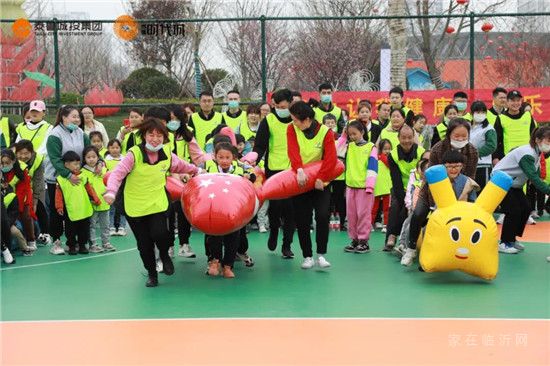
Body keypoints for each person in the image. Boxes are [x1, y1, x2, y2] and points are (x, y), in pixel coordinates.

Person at [104, 118, 200, 287]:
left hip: (157, 203)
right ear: (144, 136)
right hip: (135, 205)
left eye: (159, 135)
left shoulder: (167, 155)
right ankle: (152, 274)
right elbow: (117, 174)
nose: (155, 139)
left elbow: (182, 166)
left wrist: (198, 170)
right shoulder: (134, 154)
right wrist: (111, 192)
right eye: (151, 134)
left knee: (161, 234)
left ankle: (164, 254)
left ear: (164, 137)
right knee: (144, 244)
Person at [400, 118, 478, 263]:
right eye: (456, 136)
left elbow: (471, 177)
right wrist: (439, 201)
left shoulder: (472, 151)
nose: (460, 139)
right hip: (431, 191)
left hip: (461, 191)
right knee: (418, 214)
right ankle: (410, 249)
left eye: (464, 136)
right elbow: (431, 175)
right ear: (449, 135)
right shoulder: (438, 149)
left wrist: (463, 196)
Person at [287, 101, 337, 269]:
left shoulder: (325, 132)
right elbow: (293, 151)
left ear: (307, 119)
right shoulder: (291, 129)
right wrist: (299, 169)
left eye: (296, 119)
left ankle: (321, 254)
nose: (293, 122)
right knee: (302, 219)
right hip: (300, 180)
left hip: (320, 181)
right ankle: (307, 255)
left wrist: (321, 178)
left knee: (322, 215)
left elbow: (331, 158)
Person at [492, 126, 550, 254]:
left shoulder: (536, 153)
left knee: (526, 209)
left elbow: (538, 177)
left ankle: (511, 239)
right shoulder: (527, 154)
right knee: (513, 211)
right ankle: (504, 242)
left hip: (513, 184)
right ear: (537, 140)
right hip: (501, 182)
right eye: (548, 141)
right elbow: (534, 178)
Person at [253, 89, 296, 258]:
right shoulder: (268, 121)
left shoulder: (297, 120)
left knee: (291, 210)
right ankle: (273, 232)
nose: (279, 109)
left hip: (294, 171)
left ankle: (287, 245)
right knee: (275, 208)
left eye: (282, 106)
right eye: (276, 106)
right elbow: (260, 146)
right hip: (274, 170)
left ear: (290, 103)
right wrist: (252, 162)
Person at [45, 105, 91, 255]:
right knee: (58, 211)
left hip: (76, 179)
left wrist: (99, 161)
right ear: (64, 117)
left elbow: (89, 151)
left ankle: (77, 242)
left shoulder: (80, 132)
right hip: (57, 180)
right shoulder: (55, 135)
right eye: (73, 116)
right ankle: (57, 241)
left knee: (77, 210)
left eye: (78, 117)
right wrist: (68, 175)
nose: (77, 119)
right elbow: (55, 159)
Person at [204, 142, 252, 277]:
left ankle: (228, 266)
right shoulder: (208, 167)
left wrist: (249, 176)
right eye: (221, 157)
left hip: (234, 212)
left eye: (227, 157)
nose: (224, 161)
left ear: (233, 158)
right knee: (215, 237)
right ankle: (215, 261)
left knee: (233, 238)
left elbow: (253, 175)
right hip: (214, 211)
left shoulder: (240, 168)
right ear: (215, 157)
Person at [384, 125, 425, 251]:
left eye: (409, 137)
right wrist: (405, 198)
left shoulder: (421, 153)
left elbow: (425, 173)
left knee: (414, 209)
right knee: (397, 205)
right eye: (403, 138)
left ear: (414, 137)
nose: (406, 141)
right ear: (398, 138)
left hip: (419, 187)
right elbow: (395, 178)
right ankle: (391, 236)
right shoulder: (393, 155)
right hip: (400, 187)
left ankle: (409, 239)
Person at [339, 121, 378, 253]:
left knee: (363, 215)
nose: (352, 136)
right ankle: (354, 239)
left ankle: (363, 241)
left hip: (364, 188)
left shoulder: (371, 147)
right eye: (350, 134)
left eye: (354, 133)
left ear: (362, 132)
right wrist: (343, 136)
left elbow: (373, 167)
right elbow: (336, 150)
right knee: (351, 215)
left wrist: (370, 186)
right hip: (350, 186)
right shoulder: (349, 146)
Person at [54, 150, 102, 255]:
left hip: (84, 209)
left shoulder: (83, 176)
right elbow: (58, 195)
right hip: (70, 210)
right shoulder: (61, 179)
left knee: (84, 229)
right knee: (70, 230)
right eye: (75, 164)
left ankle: (82, 246)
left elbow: (90, 189)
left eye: (79, 163)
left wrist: (96, 199)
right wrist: (59, 207)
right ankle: (71, 246)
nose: (77, 166)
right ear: (66, 164)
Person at [167, 104, 196, 258]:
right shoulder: (162, 135)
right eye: (171, 119)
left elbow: (196, 155)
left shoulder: (188, 133)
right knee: (168, 213)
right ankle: (169, 245)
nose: (173, 122)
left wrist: (189, 172)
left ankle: (184, 244)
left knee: (183, 211)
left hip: (185, 178)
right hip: (168, 178)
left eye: (177, 119)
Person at [1, 149, 37, 252]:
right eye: (2, 163)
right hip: (7, 199)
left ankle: (31, 240)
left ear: (13, 161)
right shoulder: (1, 171)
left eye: (7, 163)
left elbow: (23, 190)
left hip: (22, 197)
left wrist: (17, 208)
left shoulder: (22, 170)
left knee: (25, 216)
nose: (4, 166)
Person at [81, 146, 116, 253]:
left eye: (94, 157)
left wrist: (110, 192)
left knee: (106, 225)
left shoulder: (104, 170)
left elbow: (111, 182)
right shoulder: (82, 172)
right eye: (88, 157)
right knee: (91, 226)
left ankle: (106, 243)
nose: (91, 159)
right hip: (91, 205)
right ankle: (93, 245)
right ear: (84, 158)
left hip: (105, 203)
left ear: (98, 157)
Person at [14, 140, 49, 245]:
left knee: (39, 208)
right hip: (19, 188)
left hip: (35, 186)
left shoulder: (38, 160)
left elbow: (39, 181)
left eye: (26, 153)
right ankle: (30, 235)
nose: (23, 156)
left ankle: (45, 233)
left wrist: (35, 201)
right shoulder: (12, 159)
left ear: (32, 152)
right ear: (16, 153)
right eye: (20, 153)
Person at [494, 90, 538, 163]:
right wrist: (495, 157)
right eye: (513, 101)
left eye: (518, 100)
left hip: (527, 157)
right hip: (508, 158)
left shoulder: (527, 116)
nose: (516, 103)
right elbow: (496, 140)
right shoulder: (501, 118)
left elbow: (534, 136)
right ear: (507, 102)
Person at [469, 101, 497, 191]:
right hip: (469, 165)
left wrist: (475, 153)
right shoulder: (467, 127)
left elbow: (491, 146)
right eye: (477, 112)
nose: (480, 114)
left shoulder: (488, 128)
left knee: (482, 192)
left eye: (483, 112)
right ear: (471, 113)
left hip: (483, 166)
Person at [104, 139, 127, 236]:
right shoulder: (106, 161)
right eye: (112, 147)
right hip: (111, 189)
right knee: (112, 209)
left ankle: (122, 227)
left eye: (117, 147)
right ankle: (111, 227)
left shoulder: (124, 159)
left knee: (122, 208)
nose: (115, 150)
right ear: (108, 148)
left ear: (120, 148)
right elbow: (105, 174)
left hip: (122, 188)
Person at [372, 139, 392, 232]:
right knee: (373, 208)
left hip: (387, 187)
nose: (387, 151)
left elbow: (389, 165)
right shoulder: (377, 158)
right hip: (377, 186)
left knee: (386, 208)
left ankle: (386, 225)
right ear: (380, 149)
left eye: (389, 148)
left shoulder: (390, 158)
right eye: (385, 149)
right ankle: (369, 224)